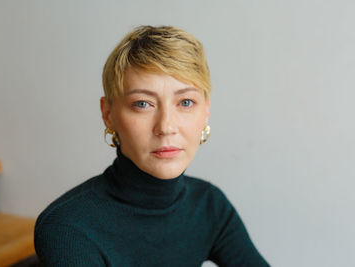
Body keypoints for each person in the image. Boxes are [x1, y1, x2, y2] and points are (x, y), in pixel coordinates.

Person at [34, 25, 270, 266]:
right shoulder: (67, 228)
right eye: (143, 104)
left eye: (186, 102)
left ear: (206, 110)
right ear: (108, 114)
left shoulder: (209, 205)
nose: (166, 126)